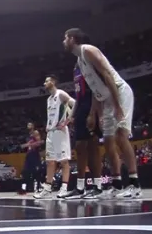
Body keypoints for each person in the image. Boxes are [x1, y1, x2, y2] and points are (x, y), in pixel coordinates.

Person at [63, 28, 141, 199]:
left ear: (73, 39)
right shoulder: (79, 61)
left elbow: (107, 76)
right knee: (107, 141)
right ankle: (117, 184)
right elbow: (95, 90)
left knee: (121, 136)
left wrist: (118, 105)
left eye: (65, 38)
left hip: (119, 93)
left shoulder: (88, 50)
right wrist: (93, 114)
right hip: (105, 99)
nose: (63, 41)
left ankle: (135, 185)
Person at [63, 63, 103, 199]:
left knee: (92, 147)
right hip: (81, 108)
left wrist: (93, 112)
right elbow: (78, 96)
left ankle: (97, 186)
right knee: (80, 147)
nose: (65, 40)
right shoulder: (76, 69)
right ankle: (80, 187)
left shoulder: (88, 65)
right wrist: (71, 116)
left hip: (90, 108)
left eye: (67, 39)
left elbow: (96, 90)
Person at [35, 75, 74, 199]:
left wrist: (67, 121)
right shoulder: (49, 99)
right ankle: (47, 188)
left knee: (64, 161)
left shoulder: (61, 94)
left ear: (53, 82)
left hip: (60, 132)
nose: (44, 83)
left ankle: (64, 188)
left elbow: (75, 103)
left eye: (46, 81)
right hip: (50, 132)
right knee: (50, 162)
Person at [18, 123, 43, 195]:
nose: (28, 126)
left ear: (33, 126)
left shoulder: (35, 132)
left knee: (37, 172)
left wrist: (29, 145)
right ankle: (23, 189)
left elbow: (40, 142)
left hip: (34, 154)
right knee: (25, 172)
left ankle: (39, 187)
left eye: (30, 125)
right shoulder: (28, 135)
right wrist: (26, 145)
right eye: (27, 125)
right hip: (29, 155)